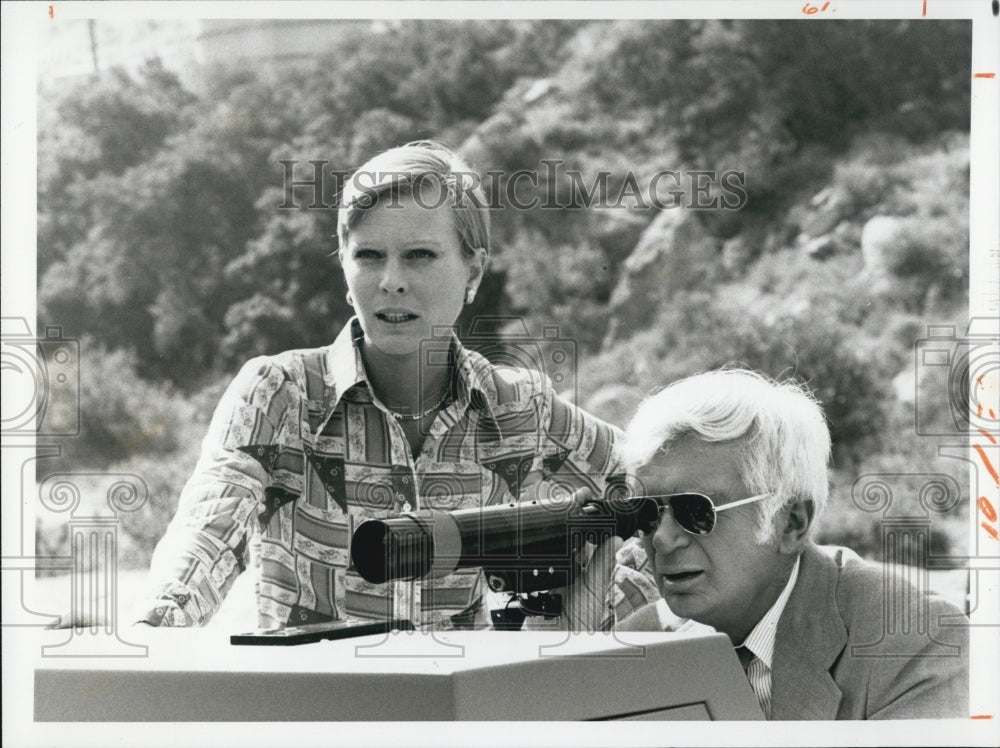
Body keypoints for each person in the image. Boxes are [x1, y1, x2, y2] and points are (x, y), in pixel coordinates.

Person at [132, 141, 623, 630]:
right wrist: (158, 628)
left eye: (419, 255)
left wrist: (582, 617)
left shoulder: (518, 406)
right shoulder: (281, 394)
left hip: (465, 682)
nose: (391, 281)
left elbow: (650, 486)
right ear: (345, 269)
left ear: (473, 270)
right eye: (369, 255)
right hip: (312, 683)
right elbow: (208, 530)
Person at [610, 368, 969, 720]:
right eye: (647, 512)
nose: (662, 538)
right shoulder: (637, 643)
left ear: (791, 523)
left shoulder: (912, 643)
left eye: (695, 511)